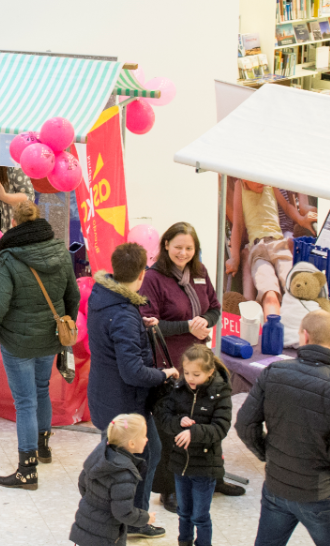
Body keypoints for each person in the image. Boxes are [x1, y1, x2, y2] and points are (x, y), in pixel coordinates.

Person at [0, 201, 80, 490]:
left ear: (13, 223)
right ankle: (43, 446)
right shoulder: (60, 251)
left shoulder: (9, 258)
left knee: (25, 402)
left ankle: (27, 470)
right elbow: (72, 294)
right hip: (50, 337)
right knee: (41, 390)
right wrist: (65, 321)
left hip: (18, 341)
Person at [139, 222, 242, 508]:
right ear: (166, 245)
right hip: (172, 367)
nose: (183, 253)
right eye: (178, 247)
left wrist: (205, 322)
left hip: (202, 362)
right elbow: (149, 324)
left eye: (189, 248)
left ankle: (214, 478)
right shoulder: (153, 278)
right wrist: (188, 326)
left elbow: (215, 308)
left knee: (209, 420)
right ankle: (169, 488)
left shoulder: (199, 272)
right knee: (174, 427)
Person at [86, 243, 176, 534]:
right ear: (142, 273)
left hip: (105, 394)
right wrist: (164, 375)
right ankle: (133, 520)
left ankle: (123, 517)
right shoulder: (124, 313)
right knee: (139, 460)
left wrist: (140, 324)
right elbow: (132, 371)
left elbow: (113, 337)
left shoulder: (103, 295)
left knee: (128, 458)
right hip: (124, 402)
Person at [236, 310, 330, 546]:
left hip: (276, 485)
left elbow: (244, 423)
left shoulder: (274, 372)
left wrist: (267, 453)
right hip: (319, 493)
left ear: (304, 336)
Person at [154, 344, 233, 546]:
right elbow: (164, 417)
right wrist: (178, 421)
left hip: (205, 466)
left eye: (196, 374)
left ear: (210, 372)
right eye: (186, 372)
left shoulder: (220, 393)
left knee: (200, 515)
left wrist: (194, 432)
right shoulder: (179, 389)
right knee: (184, 512)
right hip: (181, 463)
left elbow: (221, 428)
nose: (190, 378)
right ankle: (184, 542)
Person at [227, 180, 314, 318]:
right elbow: (237, 225)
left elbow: (286, 207)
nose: (261, 182)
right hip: (258, 249)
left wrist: (300, 219)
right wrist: (235, 258)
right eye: (255, 179)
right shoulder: (240, 186)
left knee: (295, 288)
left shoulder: (270, 183)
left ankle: (303, 333)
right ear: (244, 178)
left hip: (279, 244)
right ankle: (272, 334)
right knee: (269, 294)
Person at [69, 414, 157, 546]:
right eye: (144, 436)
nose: (147, 439)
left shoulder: (100, 456)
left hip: (85, 524)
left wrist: (96, 504)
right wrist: (146, 518)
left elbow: (82, 483)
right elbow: (123, 513)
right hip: (107, 536)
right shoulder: (125, 474)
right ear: (131, 443)